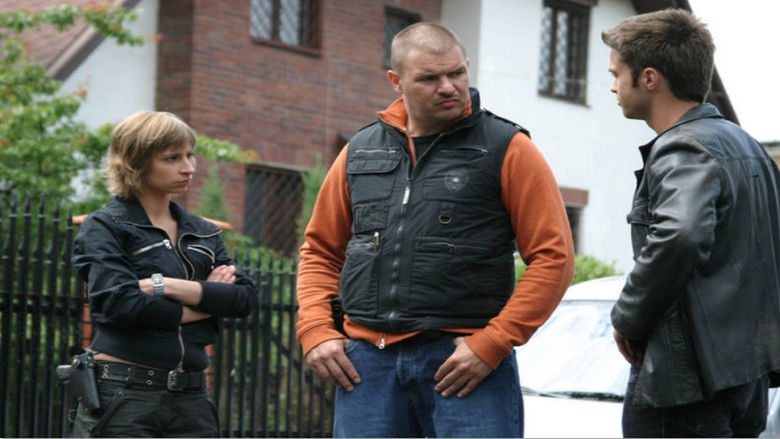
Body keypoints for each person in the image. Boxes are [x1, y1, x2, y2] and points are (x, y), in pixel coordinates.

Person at [296, 22, 574, 438]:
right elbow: (320, 251)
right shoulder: (360, 151)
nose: (448, 87)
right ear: (396, 81)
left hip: (466, 362)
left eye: (457, 73)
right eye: (429, 78)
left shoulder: (508, 147)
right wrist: (316, 330)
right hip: (367, 364)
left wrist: (492, 343)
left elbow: (554, 257)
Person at [603, 9, 780, 437]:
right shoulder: (749, 147)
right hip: (744, 379)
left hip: (685, 387)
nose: (612, 87)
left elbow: (680, 235)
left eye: (616, 74)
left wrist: (627, 317)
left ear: (649, 78)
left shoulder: (682, 147)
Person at [71, 111, 257, 437]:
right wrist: (206, 302)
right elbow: (120, 302)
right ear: (135, 162)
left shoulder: (202, 231)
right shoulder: (105, 226)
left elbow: (243, 298)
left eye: (190, 155)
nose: (188, 167)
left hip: (192, 397)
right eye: (172, 158)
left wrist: (165, 285)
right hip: (123, 393)